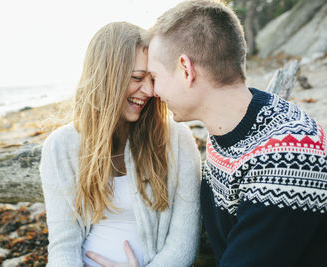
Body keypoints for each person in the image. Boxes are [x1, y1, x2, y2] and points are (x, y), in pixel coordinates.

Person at [148, 1, 327, 266]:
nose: (153, 91)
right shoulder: (232, 126)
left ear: (186, 70)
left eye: (154, 77)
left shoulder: (285, 159)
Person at [40, 21, 202, 267]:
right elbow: (64, 245)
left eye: (153, 78)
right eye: (137, 77)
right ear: (106, 75)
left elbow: (182, 246)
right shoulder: (60, 147)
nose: (149, 90)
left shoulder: (177, 140)